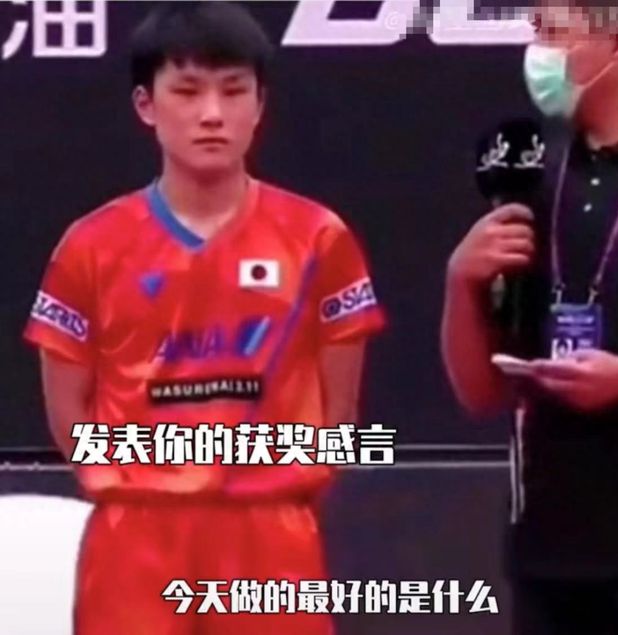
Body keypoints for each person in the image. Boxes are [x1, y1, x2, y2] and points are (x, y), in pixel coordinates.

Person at [23, 3, 385, 634]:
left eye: (233, 91)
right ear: (146, 105)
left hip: (271, 537)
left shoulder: (318, 239)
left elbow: (340, 415)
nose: (212, 113)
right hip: (136, 537)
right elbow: (67, 411)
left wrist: (275, 489)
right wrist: (137, 482)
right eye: (187, 91)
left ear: (260, 104)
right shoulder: (91, 246)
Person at [442, 1, 618, 633]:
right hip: (550, 560)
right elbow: (481, 393)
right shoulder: (531, 179)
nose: (536, 54)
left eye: (552, 32)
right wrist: (461, 282)